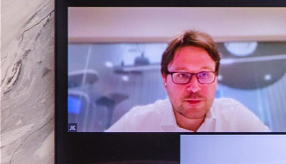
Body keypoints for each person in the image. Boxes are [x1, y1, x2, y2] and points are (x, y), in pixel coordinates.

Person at [106, 30, 268, 132]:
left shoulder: (236, 117)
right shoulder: (136, 123)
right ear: (165, 79)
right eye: (182, 75)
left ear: (216, 79)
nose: (194, 87)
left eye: (204, 74)